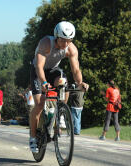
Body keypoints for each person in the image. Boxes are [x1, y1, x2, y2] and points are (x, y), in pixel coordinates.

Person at [29, 21, 89, 153]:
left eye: (69, 40)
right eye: (63, 40)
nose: (66, 44)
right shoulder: (46, 43)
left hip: (53, 70)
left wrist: (80, 83)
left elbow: (76, 70)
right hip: (38, 72)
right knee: (39, 104)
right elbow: (39, 67)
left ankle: (61, 111)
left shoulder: (71, 49)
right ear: (57, 37)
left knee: (64, 82)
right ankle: (33, 137)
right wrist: (44, 82)